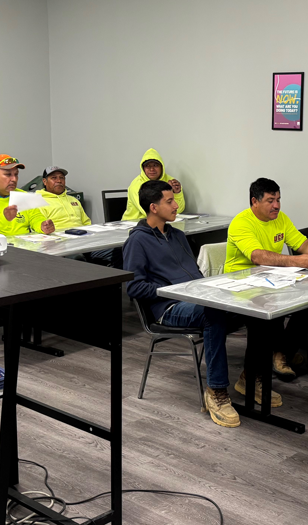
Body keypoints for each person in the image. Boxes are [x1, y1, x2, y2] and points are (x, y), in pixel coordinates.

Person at [124, 180, 238, 428]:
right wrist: (173, 291)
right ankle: (216, 392)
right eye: (170, 201)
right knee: (214, 314)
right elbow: (133, 287)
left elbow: (194, 273)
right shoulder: (137, 241)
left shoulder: (177, 235)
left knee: (247, 307)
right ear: (153, 207)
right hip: (168, 308)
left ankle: (253, 378)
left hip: (196, 298)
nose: (176, 205)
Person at [226, 177, 308, 385]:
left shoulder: (280, 218)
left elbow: (302, 243)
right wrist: (294, 261)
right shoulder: (241, 223)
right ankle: (278, 355)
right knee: (274, 310)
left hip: (272, 279)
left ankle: (281, 352)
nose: (277, 205)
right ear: (254, 201)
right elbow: (258, 256)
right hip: (244, 283)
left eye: (279, 199)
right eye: (271, 200)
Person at [121, 149, 185, 221]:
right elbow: (148, 212)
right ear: (143, 168)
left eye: (155, 165)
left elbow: (179, 209)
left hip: (162, 223)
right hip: (135, 224)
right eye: (147, 166)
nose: (152, 169)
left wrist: (177, 193)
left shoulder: (171, 182)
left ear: (162, 167)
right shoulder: (136, 185)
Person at [36, 166, 91, 230]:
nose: (59, 181)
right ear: (44, 181)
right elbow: (42, 228)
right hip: (57, 237)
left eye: (62, 178)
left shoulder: (73, 200)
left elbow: (87, 223)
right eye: (54, 178)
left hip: (82, 236)